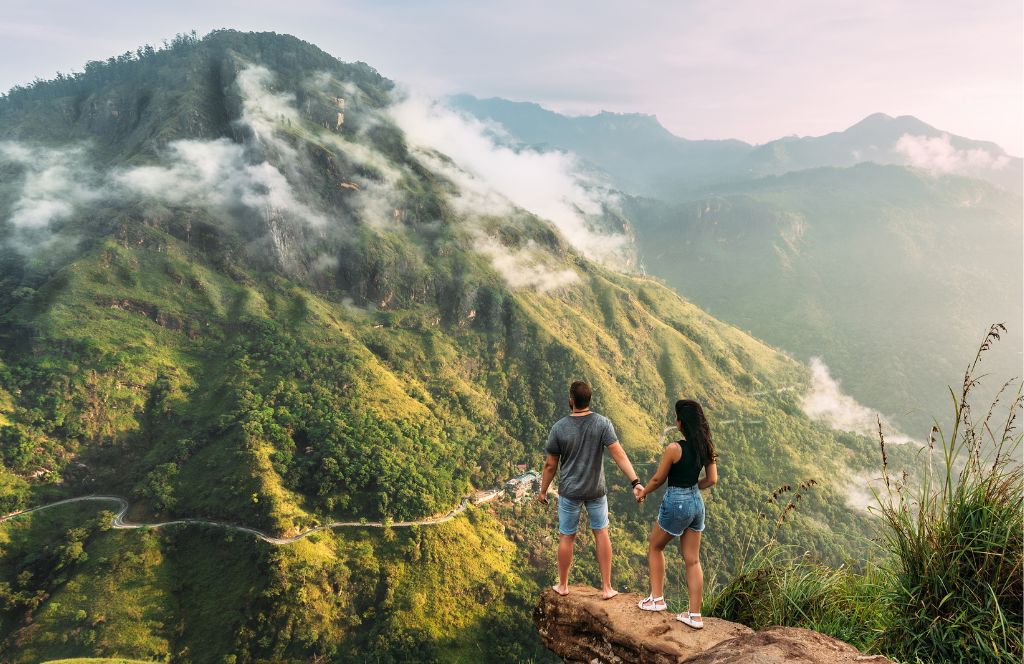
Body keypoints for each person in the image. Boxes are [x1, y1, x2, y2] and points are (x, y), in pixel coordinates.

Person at [538, 380, 643, 599]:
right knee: (601, 532)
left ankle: (563, 586)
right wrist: (635, 482)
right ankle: (606, 587)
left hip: (570, 491)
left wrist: (543, 490)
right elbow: (619, 454)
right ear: (589, 400)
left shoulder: (559, 427)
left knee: (567, 537)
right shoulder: (602, 424)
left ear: (571, 400)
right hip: (596, 490)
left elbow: (550, 465)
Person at [635, 399, 718, 629]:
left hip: (677, 501)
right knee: (693, 560)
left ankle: (657, 599)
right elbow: (712, 480)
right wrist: (693, 488)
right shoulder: (706, 446)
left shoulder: (674, 448)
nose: (675, 420)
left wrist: (644, 492)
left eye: (676, 417)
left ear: (681, 423)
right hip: (696, 504)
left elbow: (658, 479)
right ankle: (695, 615)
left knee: (655, 546)